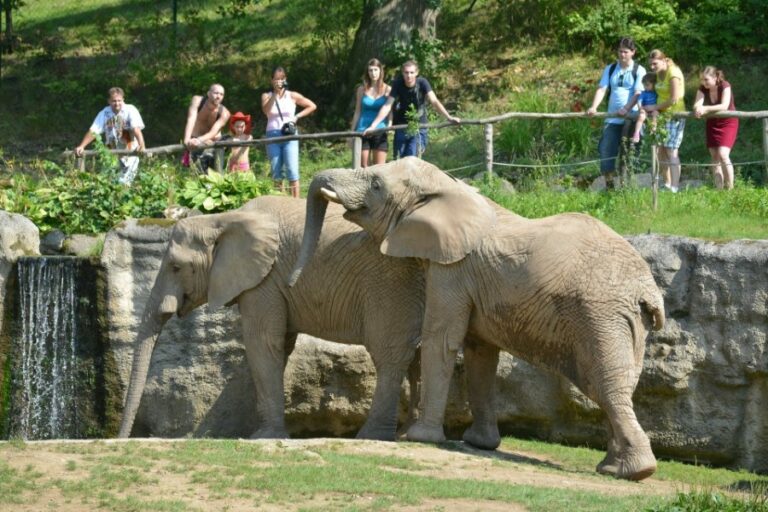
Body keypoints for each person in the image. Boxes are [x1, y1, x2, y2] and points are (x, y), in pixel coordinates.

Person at [363, 60, 460, 159]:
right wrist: (373, 126)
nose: (409, 75)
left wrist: (448, 117)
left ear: (417, 73)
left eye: (411, 72)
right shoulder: (398, 83)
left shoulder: (422, 83)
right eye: (406, 72)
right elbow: (387, 105)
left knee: (412, 158)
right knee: (399, 159)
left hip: (419, 126)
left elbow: (434, 101)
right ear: (402, 73)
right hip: (401, 127)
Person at [586, 37, 646, 189]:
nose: (622, 55)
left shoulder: (639, 70)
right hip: (612, 119)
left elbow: (639, 93)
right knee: (606, 151)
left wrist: (626, 108)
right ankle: (610, 186)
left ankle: (627, 187)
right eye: (620, 51)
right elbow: (602, 88)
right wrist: (594, 107)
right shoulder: (611, 68)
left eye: (625, 52)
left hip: (631, 119)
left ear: (633, 52)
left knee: (629, 154)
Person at [261, 66, 317, 198]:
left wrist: (297, 117)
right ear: (271, 80)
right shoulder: (266, 96)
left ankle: (295, 202)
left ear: (285, 80)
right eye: (276, 79)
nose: (279, 81)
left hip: (289, 135)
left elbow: (312, 105)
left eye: (281, 79)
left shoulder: (292, 95)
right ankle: (280, 202)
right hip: (272, 135)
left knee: (292, 169)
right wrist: (275, 93)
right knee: (276, 171)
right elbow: (266, 111)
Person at [75, 86, 146, 185]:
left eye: (119, 100)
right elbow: (94, 131)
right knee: (106, 183)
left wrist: (142, 145)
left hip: (130, 153)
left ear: (123, 99)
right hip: (111, 153)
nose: (117, 103)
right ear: (109, 101)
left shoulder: (130, 110)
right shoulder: (104, 113)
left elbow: (136, 129)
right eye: (114, 101)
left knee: (124, 184)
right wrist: (82, 146)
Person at [642, 49, 686, 193]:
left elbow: (674, 99)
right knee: (660, 150)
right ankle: (666, 184)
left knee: (671, 150)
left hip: (674, 115)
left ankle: (675, 187)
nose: (652, 67)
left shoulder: (673, 73)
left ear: (664, 60)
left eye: (655, 64)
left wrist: (654, 107)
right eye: (650, 65)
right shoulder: (658, 74)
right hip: (661, 115)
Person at [693, 66, 739, 190]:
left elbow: (724, 106)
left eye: (706, 79)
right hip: (712, 123)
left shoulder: (725, 85)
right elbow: (697, 103)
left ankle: (730, 189)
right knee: (714, 157)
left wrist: (705, 108)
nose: (704, 82)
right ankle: (718, 189)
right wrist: (698, 108)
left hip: (728, 122)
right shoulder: (703, 88)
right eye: (702, 80)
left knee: (723, 154)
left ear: (715, 77)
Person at [350, 58, 392, 167]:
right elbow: (357, 111)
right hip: (362, 130)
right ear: (367, 72)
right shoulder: (361, 89)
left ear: (380, 71)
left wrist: (390, 124)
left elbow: (389, 110)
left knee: (379, 168)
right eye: (370, 70)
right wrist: (351, 132)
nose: (373, 73)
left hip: (380, 129)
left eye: (375, 70)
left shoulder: (388, 89)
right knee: (364, 168)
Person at [182, 83, 231, 174]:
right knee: (194, 172)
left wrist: (199, 140)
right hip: (194, 141)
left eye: (221, 94)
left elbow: (213, 132)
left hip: (213, 143)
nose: (218, 96)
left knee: (217, 173)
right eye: (216, 93)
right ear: (208, 93)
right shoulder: (197, 101)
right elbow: (191, 119)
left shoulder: (225, 113)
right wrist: (187, 139)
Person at [632, 73, 658, 143]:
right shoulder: (643, 93)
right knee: (641, 116)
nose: (645, 87)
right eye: (644, 85)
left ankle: (653, 128)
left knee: (655, 114)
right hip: (644, 110)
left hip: (654, 110)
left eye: (647, 85)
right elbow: (639, 101)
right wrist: (641, 109)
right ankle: (636, 133)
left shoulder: (656, 92)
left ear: (654, 84)